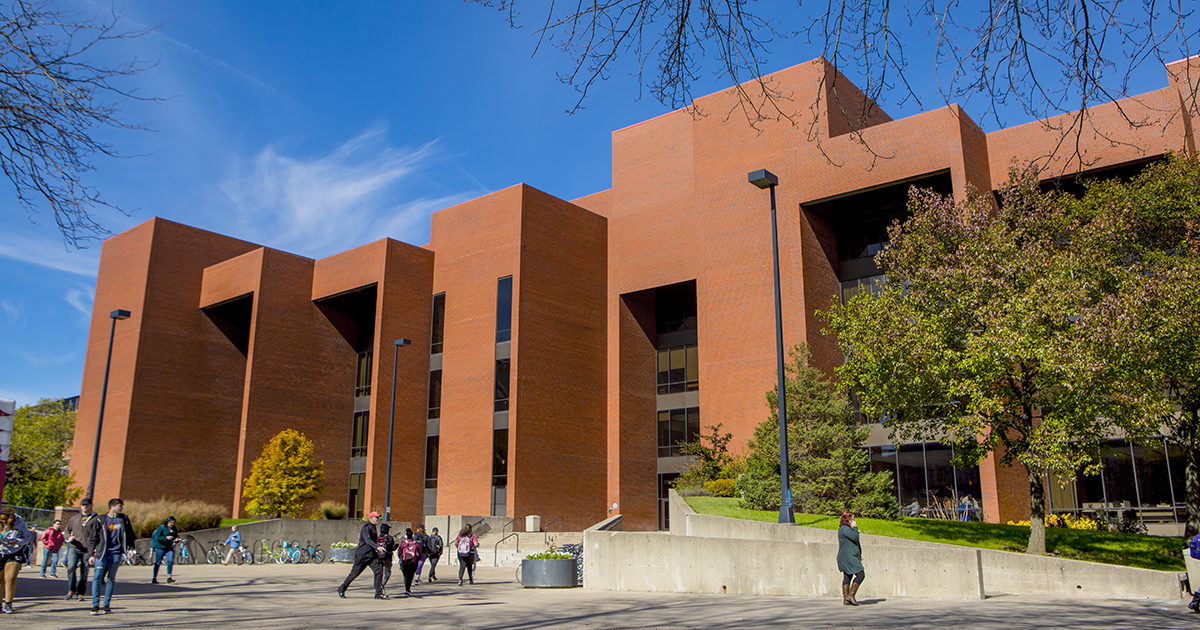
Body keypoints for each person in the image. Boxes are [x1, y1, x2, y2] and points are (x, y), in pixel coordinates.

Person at [85, 497, 137, 615]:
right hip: (102, 553)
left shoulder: (123, 519)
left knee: (111, 579)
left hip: (116, 553)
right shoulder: (101, 519)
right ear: (112, 507)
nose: (122, 508)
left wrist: (130, 548)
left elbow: (130, 534)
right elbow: (93, 538)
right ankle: (95, 604)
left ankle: (106, 605)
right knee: (97, 577)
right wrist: (91, 554)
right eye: (120, 506)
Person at [337, 511, 386, 599]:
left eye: (378, 518)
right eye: (376, 518)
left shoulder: (374, 528)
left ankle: (378, 594)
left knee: (378, 571)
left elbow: (374, 540)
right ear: (371, 519)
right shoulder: (366, 527)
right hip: (362, 555)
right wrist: (377, 547)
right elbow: (367, 540)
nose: (377, 519)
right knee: (354, 574)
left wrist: (380, 544)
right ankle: (342, 588)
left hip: (371, 555)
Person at [0, 506, 35, 614]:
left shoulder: (21, 524)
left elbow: (27, 538)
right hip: (1, 551)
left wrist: (17, 541)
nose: (3, 521)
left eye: (5, 519)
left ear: (10, 517)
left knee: (10, 577)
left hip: (15, 551)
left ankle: (8, 603)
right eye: (1, 520)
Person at [64, 498, 96, 601]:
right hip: (75, 547)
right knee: (71, 567)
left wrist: (96, 548)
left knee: (84, 571)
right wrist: (69, 537)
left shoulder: (95, 519)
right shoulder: (75, 518)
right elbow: (66, 531)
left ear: (91, 505)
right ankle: (71, 589)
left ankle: (81, 592)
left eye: (86, 505)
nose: (84, 507)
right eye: (83, 505)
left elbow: (99, 534)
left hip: (88, 549)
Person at [837, 511, 865, 606]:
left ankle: (846, 598)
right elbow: (855, 537)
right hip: (848, 556)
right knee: (861, 574)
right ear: (847, 520)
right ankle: (850, 595)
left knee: (847, 576)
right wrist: (855, 527)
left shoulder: (844, 529)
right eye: (852, 519)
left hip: (846, 556)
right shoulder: (845, 529)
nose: (853, 521)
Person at [151, 516, 179, 584]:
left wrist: (177, 539)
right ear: (167, 522)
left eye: (173, 523)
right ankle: (154, 578)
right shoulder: (162, 528)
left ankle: (169, 577)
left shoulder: (174, 529)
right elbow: (157, 537)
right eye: (170, 522)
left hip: (169, 547)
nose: (172, 524)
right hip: (160, 547)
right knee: (158, 562)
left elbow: (176, 536)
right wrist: (166, 538)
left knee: (170, 561)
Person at [398, 528, 422, 597]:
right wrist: (418, 559)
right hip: (413, 561)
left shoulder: (403, 543)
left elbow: (399, 552)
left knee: (405, 576)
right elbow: (420, 552)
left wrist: (401, 557)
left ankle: (406, 589)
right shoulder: (416, 543)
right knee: (410, 576)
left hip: (404, 561)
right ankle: (408, 589)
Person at [376, 523, 396, 597]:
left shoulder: (377, 537)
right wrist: (396, 545)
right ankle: (382, 584)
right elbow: (392, 548)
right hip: (387, 557)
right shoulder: (389, 538)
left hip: (378, 557)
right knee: (387, 572)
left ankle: (379, 587)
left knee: (379, 573)